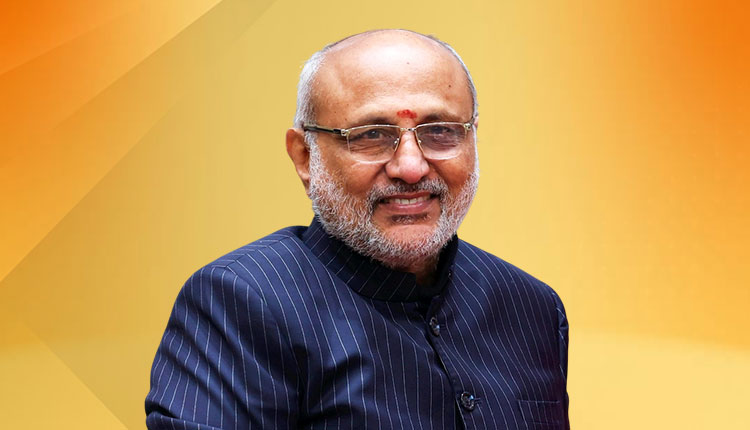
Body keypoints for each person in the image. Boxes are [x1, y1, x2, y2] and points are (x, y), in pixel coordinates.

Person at [145, 29, 570, 430]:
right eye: (371, 135)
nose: (411, 167)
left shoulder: (532, 308)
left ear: (473, 139)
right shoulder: (242, 303)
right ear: (304, 156)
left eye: (440, 132)